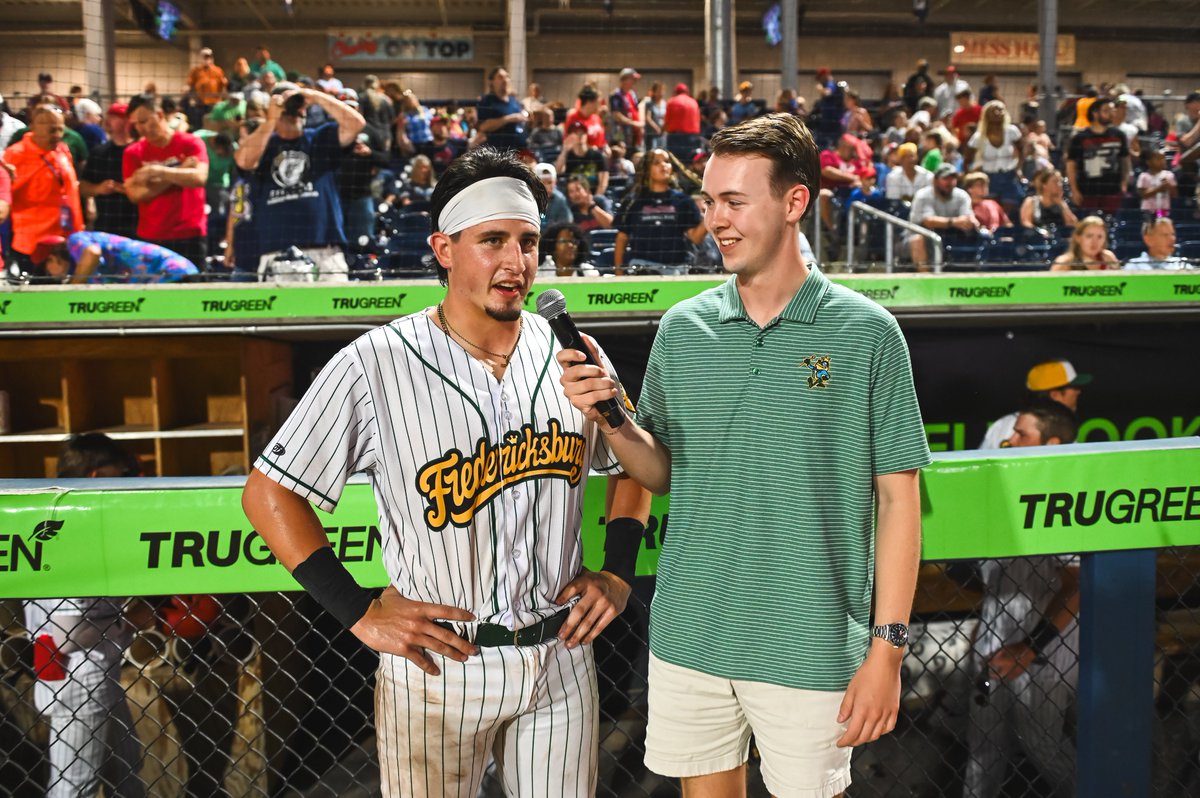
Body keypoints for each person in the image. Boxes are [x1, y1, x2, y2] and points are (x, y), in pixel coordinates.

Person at [241, 145, 649, 798]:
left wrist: (620, 573)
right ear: (444, 248)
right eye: (492, 241)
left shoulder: (573, 351)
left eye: (527, 242)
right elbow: (269, 493)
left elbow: (633, 464)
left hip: (561, 657)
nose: (515, 262)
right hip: (439, 665)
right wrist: (359, 611)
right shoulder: (374, 362)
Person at [557, 112, 930, 798]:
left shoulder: (868, 333)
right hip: (691, 635)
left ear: (794, 202)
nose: (716, 220)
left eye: (734, 201)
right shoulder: (683, 328)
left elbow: (898, 500)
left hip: (810, 642)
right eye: (709, 201)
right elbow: (661, 474)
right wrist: (612, 420)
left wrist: (888, 650)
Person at [966, 400, 1080, 798]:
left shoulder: (1062, 495)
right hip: (994, 636)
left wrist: (1031, 647)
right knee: (982, 749)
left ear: (1051, 443)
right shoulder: (999, 492)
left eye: (1021, 434)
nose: (1010, 441)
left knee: (1041, 742)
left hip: (1047, 645)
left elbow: (1076, 585)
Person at [24, 433, 146, 798]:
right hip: (78, 676)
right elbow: (68, 633)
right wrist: (130, 621)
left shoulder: (51, 511)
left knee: (127, 772)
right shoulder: (72, 524)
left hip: (94, 672)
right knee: (74, 787)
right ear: (96, 475)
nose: (124, 482)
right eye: (119, 473)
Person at [234, 84, 365, 280]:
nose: (293, 112)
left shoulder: (321, 137)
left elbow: (357, 124)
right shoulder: (263, 144)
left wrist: (315, 96)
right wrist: (271, 119)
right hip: (276, 252)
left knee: (335, 302)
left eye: (297, 106)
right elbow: (243, 161)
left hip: (325, 250)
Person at [123, 93, 210, 267]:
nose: (140, 128)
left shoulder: (191, 143)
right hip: (151, 235)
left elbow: (199, 177)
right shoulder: (133, 152)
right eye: (136, 124)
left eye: (143, 121)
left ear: (160, 115)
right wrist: (180, 171)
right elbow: (135, 195)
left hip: (189, 234)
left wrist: (156, 172)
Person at [1, 104, 84, 273]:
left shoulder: (62, 150)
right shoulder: (15, 155)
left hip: (65, 236)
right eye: (52, 130)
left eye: (60, 130)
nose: (57, 135)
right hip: (33, 243)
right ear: (33, 126)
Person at [612, 147, 706, 276]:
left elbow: (695, 238)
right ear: (646, 169)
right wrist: (618, 272)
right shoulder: (633, 201)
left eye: (666, 161)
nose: (663, 165)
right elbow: (622, 238)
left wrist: (711, 213)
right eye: (656, 162)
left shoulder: (683, 200)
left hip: (676, 270)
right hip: (641, 270)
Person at [979, 359, 1090, 449]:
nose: (1078, 392)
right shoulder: (1055, 428)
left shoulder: (1002, 425)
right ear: (1055, 395)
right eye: (1075, 387)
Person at [30, 231, 199, 283]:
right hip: (173, 276)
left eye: (46, 269)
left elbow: (92, 253)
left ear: (52, 258)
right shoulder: (84, 271)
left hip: (173, 272)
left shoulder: (75, 240)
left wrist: (72, 288)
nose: (50, 274)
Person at [1065, 98, 1130, 217]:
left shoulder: (1119, 135)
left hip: (1113, 191)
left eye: (1112, 111)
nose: (1111, 114)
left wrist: (1124, 183)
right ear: (1095, 113)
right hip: (1087, 191)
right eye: (1106, 111)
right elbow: (1071, 165)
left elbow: (1125, 160)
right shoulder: (1080, 138)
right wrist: (1074, 190)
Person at [909, 163, 978, 269]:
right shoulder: (923, 195)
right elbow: (928, 222)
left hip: (951, 236)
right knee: (917, 240)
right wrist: (954, 222)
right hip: (923, 236)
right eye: (946, 179)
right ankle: (924, 278)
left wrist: (971, 222)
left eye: (953, 179)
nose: (950, 182)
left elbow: (967, 218)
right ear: (935, 180)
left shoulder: (962, 195)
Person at [965, 100, 1025, 215]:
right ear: (986, 115)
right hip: (989, 177)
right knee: (991, 209)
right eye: (993, 110)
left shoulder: (1012, 131)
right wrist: (972, 176)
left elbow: (1022, 151)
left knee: (1010, 208)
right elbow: (967, 159)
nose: (997, 113)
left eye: (1000, 109)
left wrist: (1019, 168)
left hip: (1009, 175)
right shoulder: (979, 136)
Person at [475, 66, 528, 152]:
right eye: (500, 77)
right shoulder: (486, 101)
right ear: (492, 81)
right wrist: (508, 119)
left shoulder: (513, 101)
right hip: (497, 151)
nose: (505, 80)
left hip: (518, 150)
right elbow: (483, 127)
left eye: (507, 77)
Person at [555, 120, 610, 196]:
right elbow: (558, 172)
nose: (580, 135)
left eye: (582, 132)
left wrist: (594, 199)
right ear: (569, 136)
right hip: (573, 196)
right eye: (575, 133)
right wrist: (565, 150)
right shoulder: (567, 156)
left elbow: (603, 183)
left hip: (593, 195)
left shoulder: (598, 155)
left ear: (586, 135)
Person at [1051, 215, 1119, 270]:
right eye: (1089, 236)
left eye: (1100, 237)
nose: (1094, 242)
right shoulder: (1064, 263)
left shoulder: (1109, 258)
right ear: (1078, 238)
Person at [1019, 168, 1078, 232]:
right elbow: (1026, 222)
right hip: (1038, 236)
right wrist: (1041, 232)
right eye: (1055, 181)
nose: (1059, 185)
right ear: (1044, 185)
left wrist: (1062, 204)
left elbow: (1073, 225)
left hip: (1059, 236)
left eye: (1060, 182)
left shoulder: (1063, 203)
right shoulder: (1031, 201)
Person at [184, 47, 227, 128]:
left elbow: (223, 86)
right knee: (199, 124)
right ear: (200, 58)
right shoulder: (195, 71)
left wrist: (222, 100)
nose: (207, 59)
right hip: (200, 103)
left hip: (214, 103)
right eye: (205, 57)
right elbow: (189, 83)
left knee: (213, 124)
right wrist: (186, 89)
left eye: (209, 56)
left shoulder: (218, 71)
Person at [663, 83, 702, 164]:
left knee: (675, 161)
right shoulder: (693, 102)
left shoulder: (672, 101)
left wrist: (663, 131)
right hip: (692, 137)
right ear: (687, 92)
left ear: (676, 92)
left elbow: (667, 120)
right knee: (690, 160)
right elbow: (698, 119)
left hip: (675, 137)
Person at [1135, 149, 1177, 217]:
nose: (1162, 161)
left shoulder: (1169, 175)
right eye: (1158, 159)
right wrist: (1159, 188)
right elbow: (1143, 194)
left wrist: (1168, 186)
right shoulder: (1143, 176)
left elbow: (1174, 194)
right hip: (1147, 210)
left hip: (1164, 209)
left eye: (1163, 158)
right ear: (1148, 162)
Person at [610, 67, 643, 149]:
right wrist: (633, 123)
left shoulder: (632, 94)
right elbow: (616, 114)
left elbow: (636, 110)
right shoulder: (616, 95)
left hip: (634, 132)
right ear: (625, 79)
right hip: (622, 132)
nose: (634, 82)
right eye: (632, 79)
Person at [533, 161, 571, 228]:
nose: (546, 187)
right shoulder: (528, 198)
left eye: (550, 182)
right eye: (542, 182)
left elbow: (566, 224)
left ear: (555, 182)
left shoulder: (560, 200)